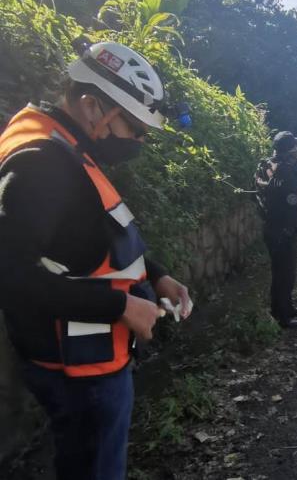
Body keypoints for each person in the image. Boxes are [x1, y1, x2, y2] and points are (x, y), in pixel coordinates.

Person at [0, 38, 192, 480]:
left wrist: (158, 276)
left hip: (96, 358)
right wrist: (121, 306)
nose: (139, 140)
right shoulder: (40, 164)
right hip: (78, 372)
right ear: (92, 106)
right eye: (133, 128)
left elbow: (101, 234)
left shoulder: (71, 150)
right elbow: (11, 276)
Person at [254, 131, 297, 328]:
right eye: (295, 147)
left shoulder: (266, 166)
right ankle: (282, 317)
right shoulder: (286, 171)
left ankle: (286, 308)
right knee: (284, 275)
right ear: (291, 149)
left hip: (271, 227)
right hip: (284, 231)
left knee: (281, 273)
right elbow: (295, 207)